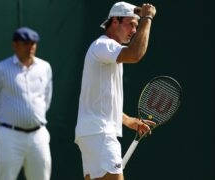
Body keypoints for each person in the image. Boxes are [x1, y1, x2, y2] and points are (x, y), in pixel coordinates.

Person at [75, 1, 157, 180]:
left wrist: (128, 121)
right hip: (100, 134)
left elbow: (103, 101)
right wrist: (147, 18)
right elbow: (136, 54)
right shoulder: (103, 45)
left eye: (137, 25)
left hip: (94, 134)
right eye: (131, 24)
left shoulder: (109, 53)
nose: (135, 30)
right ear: (114, 22)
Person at [0, 27, 53, 180]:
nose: (31, 47)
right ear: (15, 45)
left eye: (33, 43)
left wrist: (34, 117)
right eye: (26, 43)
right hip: (9, 136)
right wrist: (4, 123)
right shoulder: (0, 69)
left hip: (38, 136)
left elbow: (46, 97)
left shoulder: (45, 67)